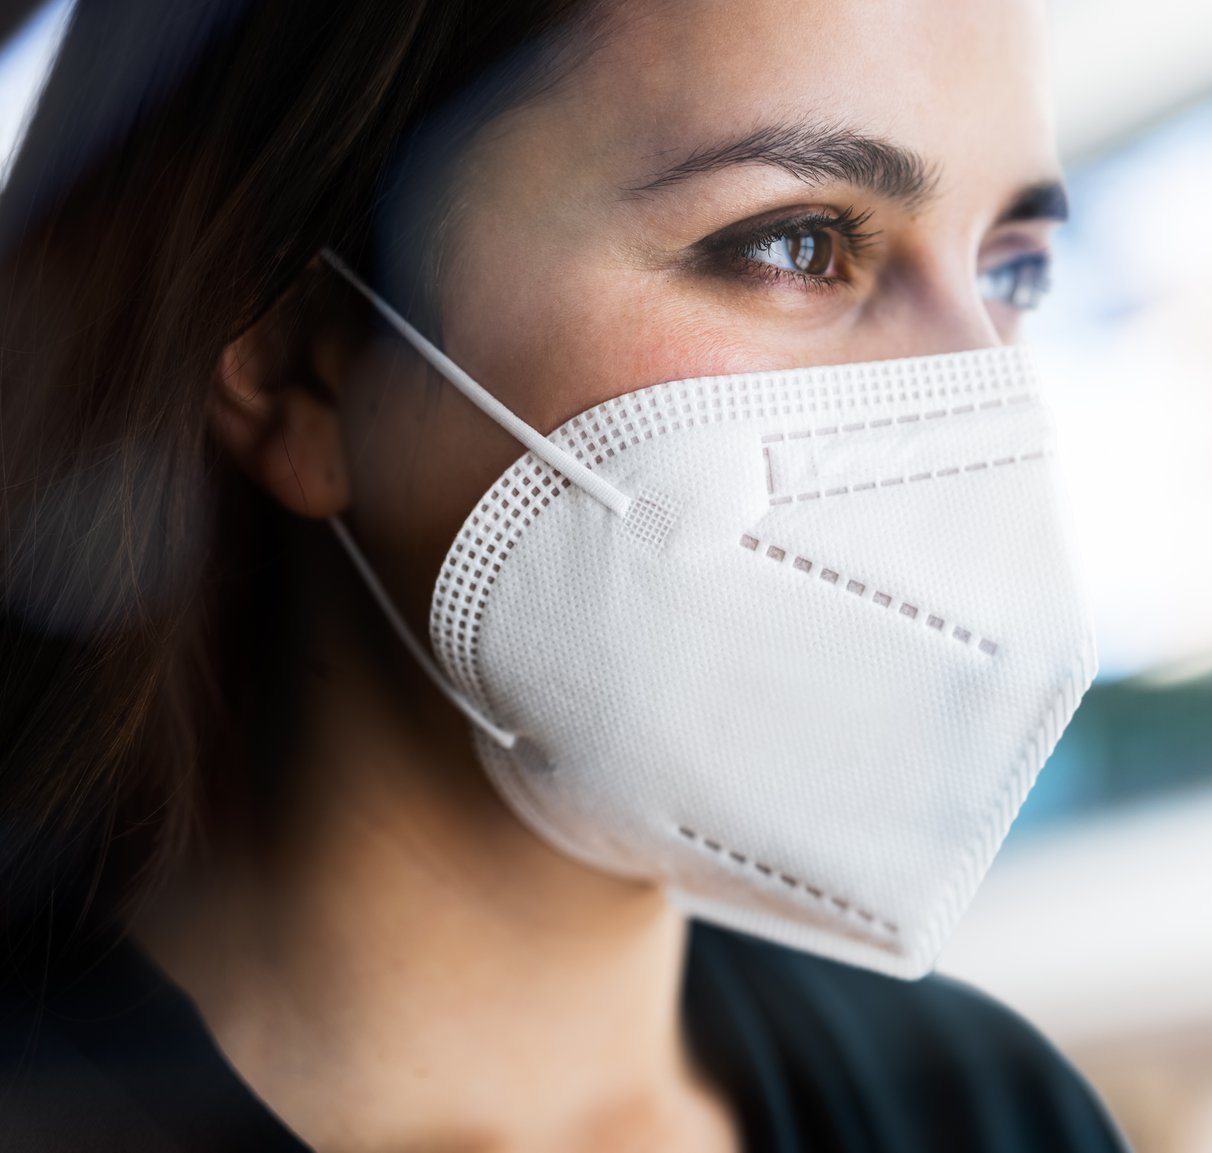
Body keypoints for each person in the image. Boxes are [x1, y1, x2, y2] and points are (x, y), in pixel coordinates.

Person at [0, 0, 1120, 1148]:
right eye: (796, 244)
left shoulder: (993, 1109)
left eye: (1013, 270)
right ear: (301, 360)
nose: (975, 401)